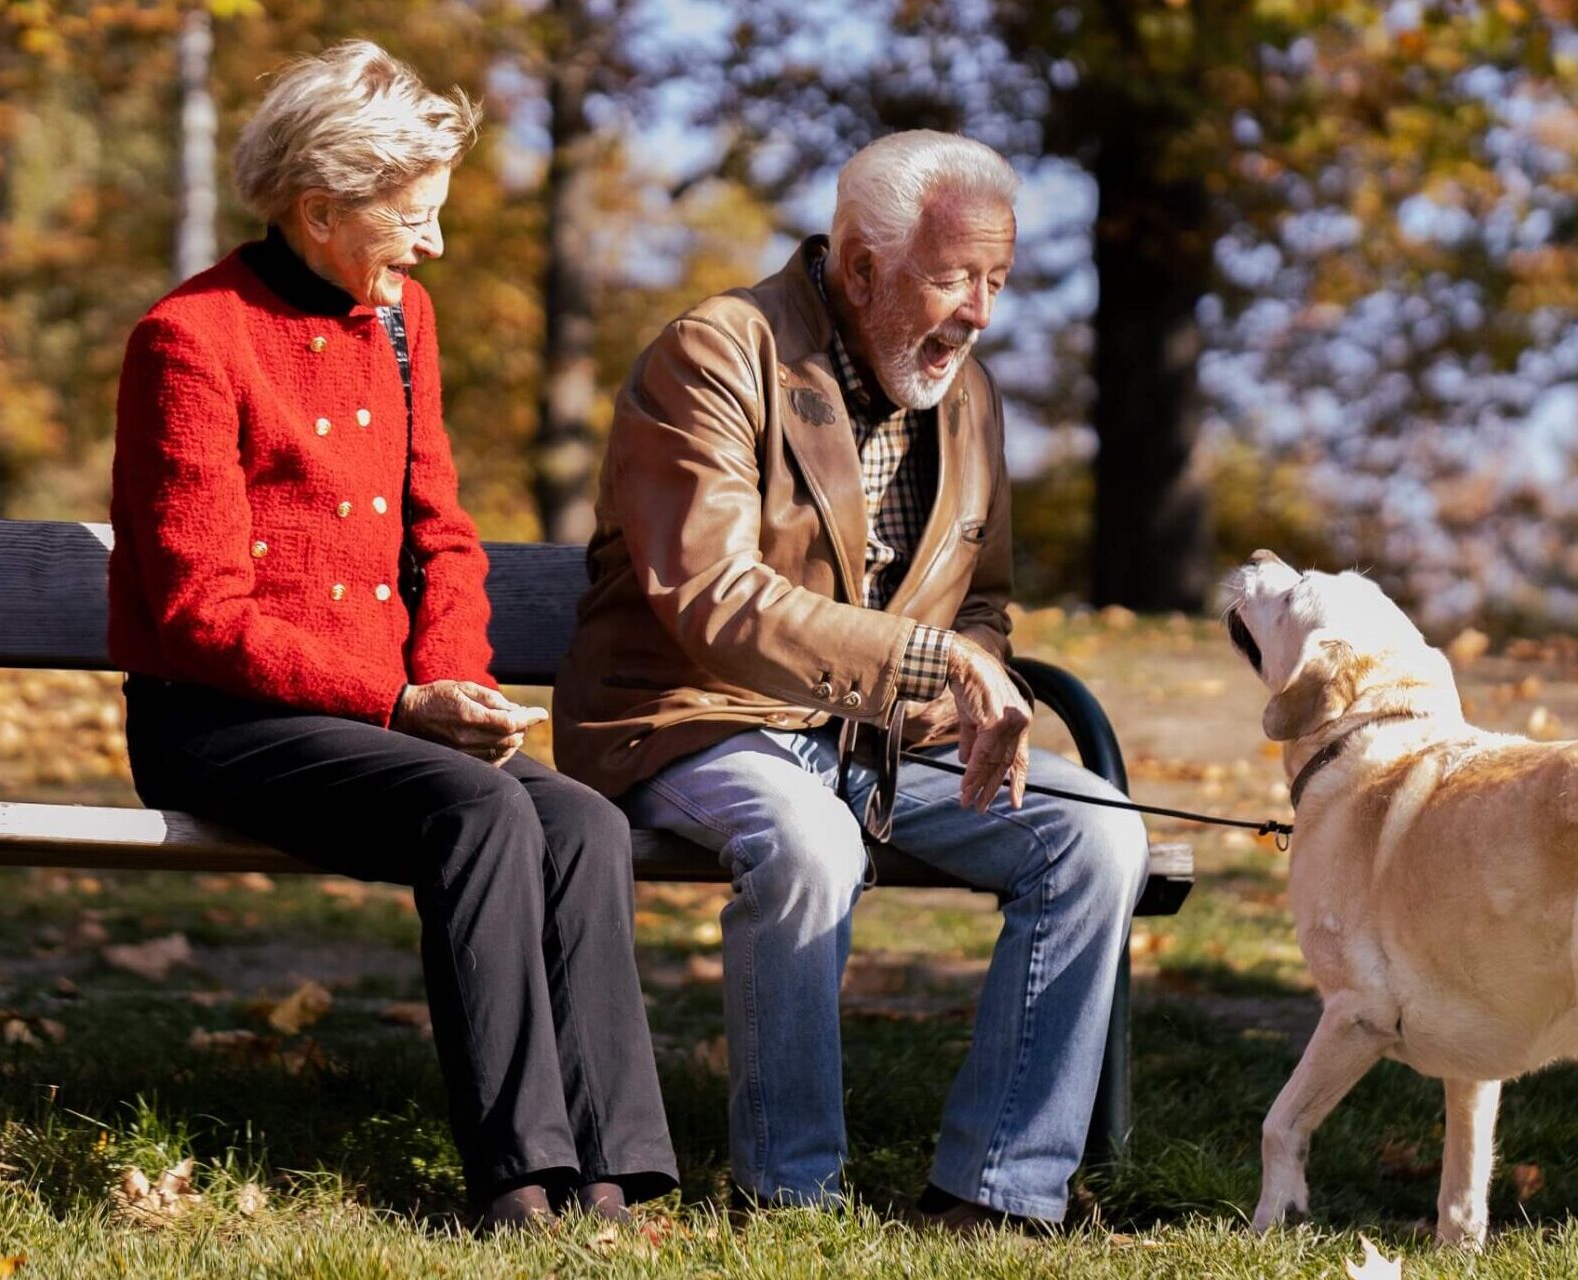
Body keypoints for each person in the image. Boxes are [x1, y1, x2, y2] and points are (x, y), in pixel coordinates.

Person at [106, 40, 674, 1231]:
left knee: (574, 814)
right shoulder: (190, 340)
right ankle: (519, 1178)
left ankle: (613, 1175)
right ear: (320, 211)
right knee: (478, 810)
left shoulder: (404, 318)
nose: (434, 244)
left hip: (387, 715)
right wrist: (399, 703)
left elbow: (441, 537)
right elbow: (195, 611)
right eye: (412, 217)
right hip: (223, 722)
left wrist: (455, 679)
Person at [554, 130, 1149, 1230]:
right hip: (692, 716)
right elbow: (712, 597)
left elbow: (982, 597)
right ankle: (792, 1194)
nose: (979, 312)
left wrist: (962, 685)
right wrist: (925, 662)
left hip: (879, 744)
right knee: (811, 842)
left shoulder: (968, 396)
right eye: (955, 276)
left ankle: (999, 1195)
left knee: (1100, 834)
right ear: (864, 265)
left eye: (998, 281)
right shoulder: (719, 353)